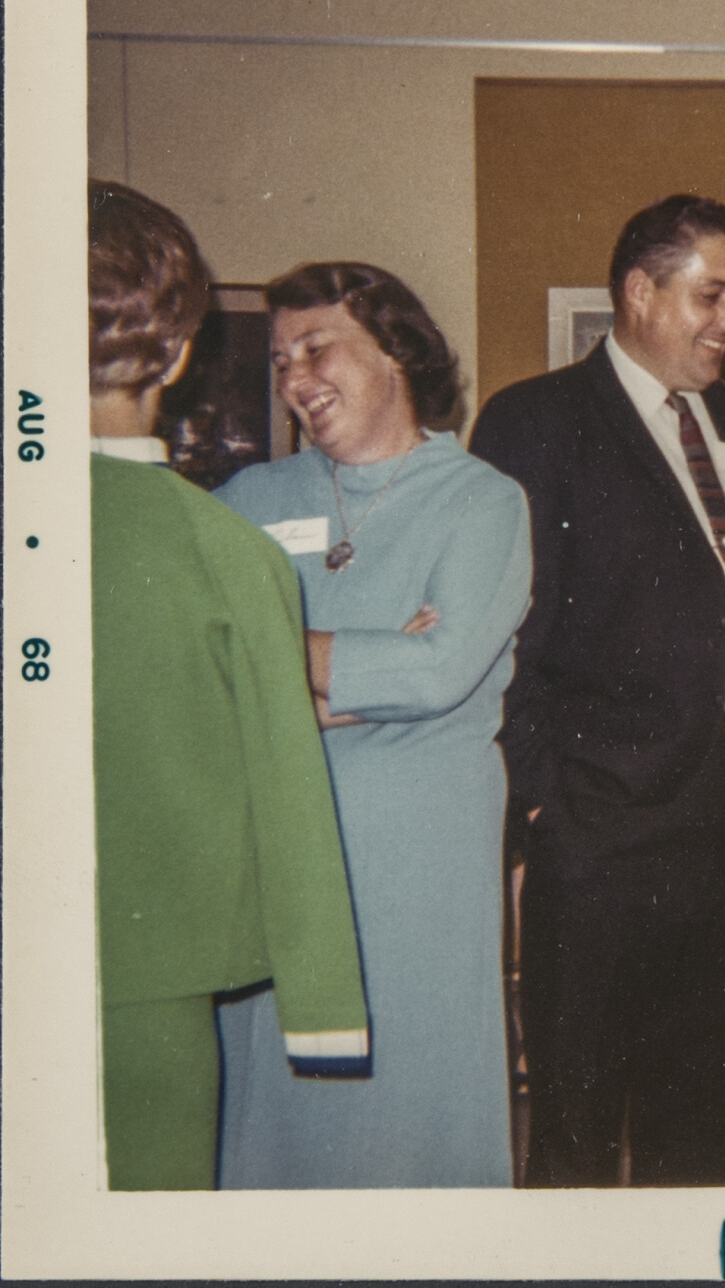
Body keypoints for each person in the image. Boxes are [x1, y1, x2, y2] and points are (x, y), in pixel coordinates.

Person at [470, 194, 725, 1187]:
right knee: (583, 1106)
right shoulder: (536, 420)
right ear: (639, 291)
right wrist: (548, 798)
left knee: (717, 1102)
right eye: (712, 295)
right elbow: (501, 628)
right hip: (612, 816)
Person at [214, 262, 531, 1188]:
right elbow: (209, 674)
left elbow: (439, 671)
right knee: (277, 1092)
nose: (295, 377)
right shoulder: (248, 499)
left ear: (396, 350)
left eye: (317, 346)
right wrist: (369, 664)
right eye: (279, 361)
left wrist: (284, 664)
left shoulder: (481, 500)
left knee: (411, 1089)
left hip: (420, 856)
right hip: (275, 842)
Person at [88, 181, 368, 1190]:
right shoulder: (223, 546)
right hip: (148, 985)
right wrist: (325, 1009)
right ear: (174, 353)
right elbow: (289, 791)